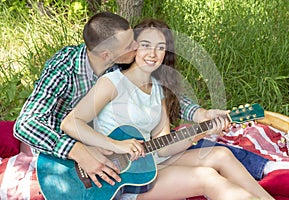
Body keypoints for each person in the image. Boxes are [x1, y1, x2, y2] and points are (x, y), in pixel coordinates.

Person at [61, 19, 274, 200]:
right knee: (207, 177)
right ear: (134, 47)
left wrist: (201, 130)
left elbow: (162, 147)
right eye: (146, 45)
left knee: (221, 154)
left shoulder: (159, 89)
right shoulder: (112, 82)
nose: (153, 54)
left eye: (160, 47)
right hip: (118, 176)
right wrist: (117, 145)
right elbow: (71, 123)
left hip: (149, 162)